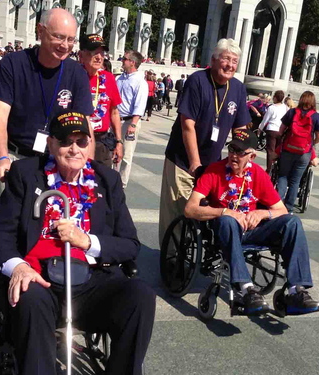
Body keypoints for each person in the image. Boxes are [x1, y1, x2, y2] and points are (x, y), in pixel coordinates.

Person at [0, 110, 159, 375]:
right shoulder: (26, 174)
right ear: (51, 144)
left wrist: (87, 241)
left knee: (139, 295)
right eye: (65, 141)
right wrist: (17, 266)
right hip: (41, 279)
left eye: (82, 141)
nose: (74, 148)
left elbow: (129, 243)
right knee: (29, 296)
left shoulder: (106, 180)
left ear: (91, 144)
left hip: (92, 279)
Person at [184, 129, 319, 315]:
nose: (233, 155)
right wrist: (226, 211)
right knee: (227, 221)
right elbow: (190, 209)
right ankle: (246, 288)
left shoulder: (258, 174)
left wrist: (262, 213)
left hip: (253, 230)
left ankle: (295, 290)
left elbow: (281, 209)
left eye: (240, 152)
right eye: (232, 149)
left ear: (252, 156)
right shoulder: (214, 171)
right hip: (225, 230)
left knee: (292, 222)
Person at [0, 8, 93, 200]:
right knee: (8, 226)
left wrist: (88, 168)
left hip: (59, 162)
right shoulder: (13, 64)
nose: (65, 45)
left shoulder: (77, 73)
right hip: (16, 158)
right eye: (59, 37)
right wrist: (2, 157)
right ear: (40, 31)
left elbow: (86, 125)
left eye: (71, 39)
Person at [158, 38, 251, 243]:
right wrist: (194, 162)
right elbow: (187, 125)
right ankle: (171, 262)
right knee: (177, 211)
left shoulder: (237, 88)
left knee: (205, 211)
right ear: (214, 60)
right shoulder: (198, 81)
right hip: (183, 159)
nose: (230, 65)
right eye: (226, 59)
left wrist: (243, 158)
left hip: (212, 163)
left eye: (234, 61)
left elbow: (241, 130)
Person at [78, 33, 123, 168]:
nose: (99, 57)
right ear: (81, 55)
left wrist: (119, 141)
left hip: (101, 143)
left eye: (102, 53)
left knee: (103, 184)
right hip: (78, 141)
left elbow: (114, 113)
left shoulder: (108, 78)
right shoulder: (74, 76)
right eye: (94, 52)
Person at [276, 91, 319, 213]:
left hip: (288, 149)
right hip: (304, 153)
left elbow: (280, 131)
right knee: (295, 180)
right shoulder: (316, 116)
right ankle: (289, 208)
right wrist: (311, 143)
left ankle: (277, 204)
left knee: (282, 176)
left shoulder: (292, 112)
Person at [116, 50, 148, 188]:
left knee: (126, 155)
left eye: (125, 59)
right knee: (113, 151)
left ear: (132, 62)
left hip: (130, 121)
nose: (122, 60)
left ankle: (122, 183)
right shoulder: (119, 78)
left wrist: (133, 124)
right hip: (116, 119)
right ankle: (112, 179)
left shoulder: (140, 82)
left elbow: (140, 104)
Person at [258, 90, 287, 172]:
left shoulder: (272, 107)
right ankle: (277, 168)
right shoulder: (285, 107)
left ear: (275, 98)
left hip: (271, 129)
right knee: (279, 150)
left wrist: (260, 128)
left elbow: (265, 119)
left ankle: (269, 169)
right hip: (281, 130)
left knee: (270, 150)